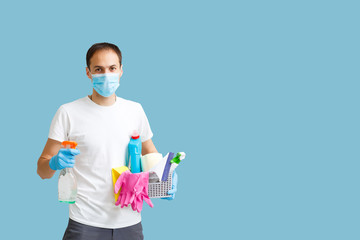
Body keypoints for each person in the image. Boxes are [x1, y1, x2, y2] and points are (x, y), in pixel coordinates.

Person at [37, 42, 177, 240]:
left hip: (130, 224)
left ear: (121, 70)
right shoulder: (68, 112)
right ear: (88, 72)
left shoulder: (135, 110)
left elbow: (151, 157)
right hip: (85, 224)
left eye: (112, 68)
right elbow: (42, 171)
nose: (106, 75)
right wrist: (54, 162)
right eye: (98, 69)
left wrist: (164, 180)